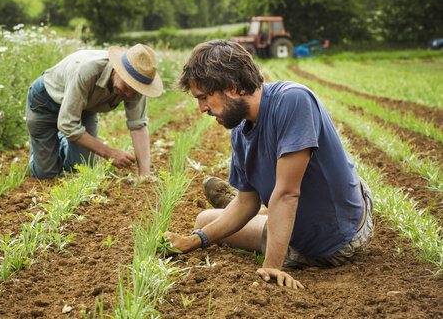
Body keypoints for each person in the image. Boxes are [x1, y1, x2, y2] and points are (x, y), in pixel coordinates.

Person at [163, 40, 374, 289]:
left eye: (204, 97)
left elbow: (287, 194)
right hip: (293, 230)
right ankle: (268, 208)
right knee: (203, 221)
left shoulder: (293, 101)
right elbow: (245, 203)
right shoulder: (240, 131)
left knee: (280, 196)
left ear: (232, 87)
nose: (201, 108)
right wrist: (193, 241)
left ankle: (270, 208)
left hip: (339, 239)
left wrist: (272, 266)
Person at [25, 43, 163, 179]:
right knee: (45, 174)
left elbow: (138, 126)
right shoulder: (86, 71)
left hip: (84, 108)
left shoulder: (135, 86)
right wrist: (110, 153)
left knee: (83, 169)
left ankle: (61, 141)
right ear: (118, 70)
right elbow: (67, 124)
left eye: (134, 90)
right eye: (126, 87)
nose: (128, 95)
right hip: (45, 103)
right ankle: (44, 146)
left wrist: (144, 173)